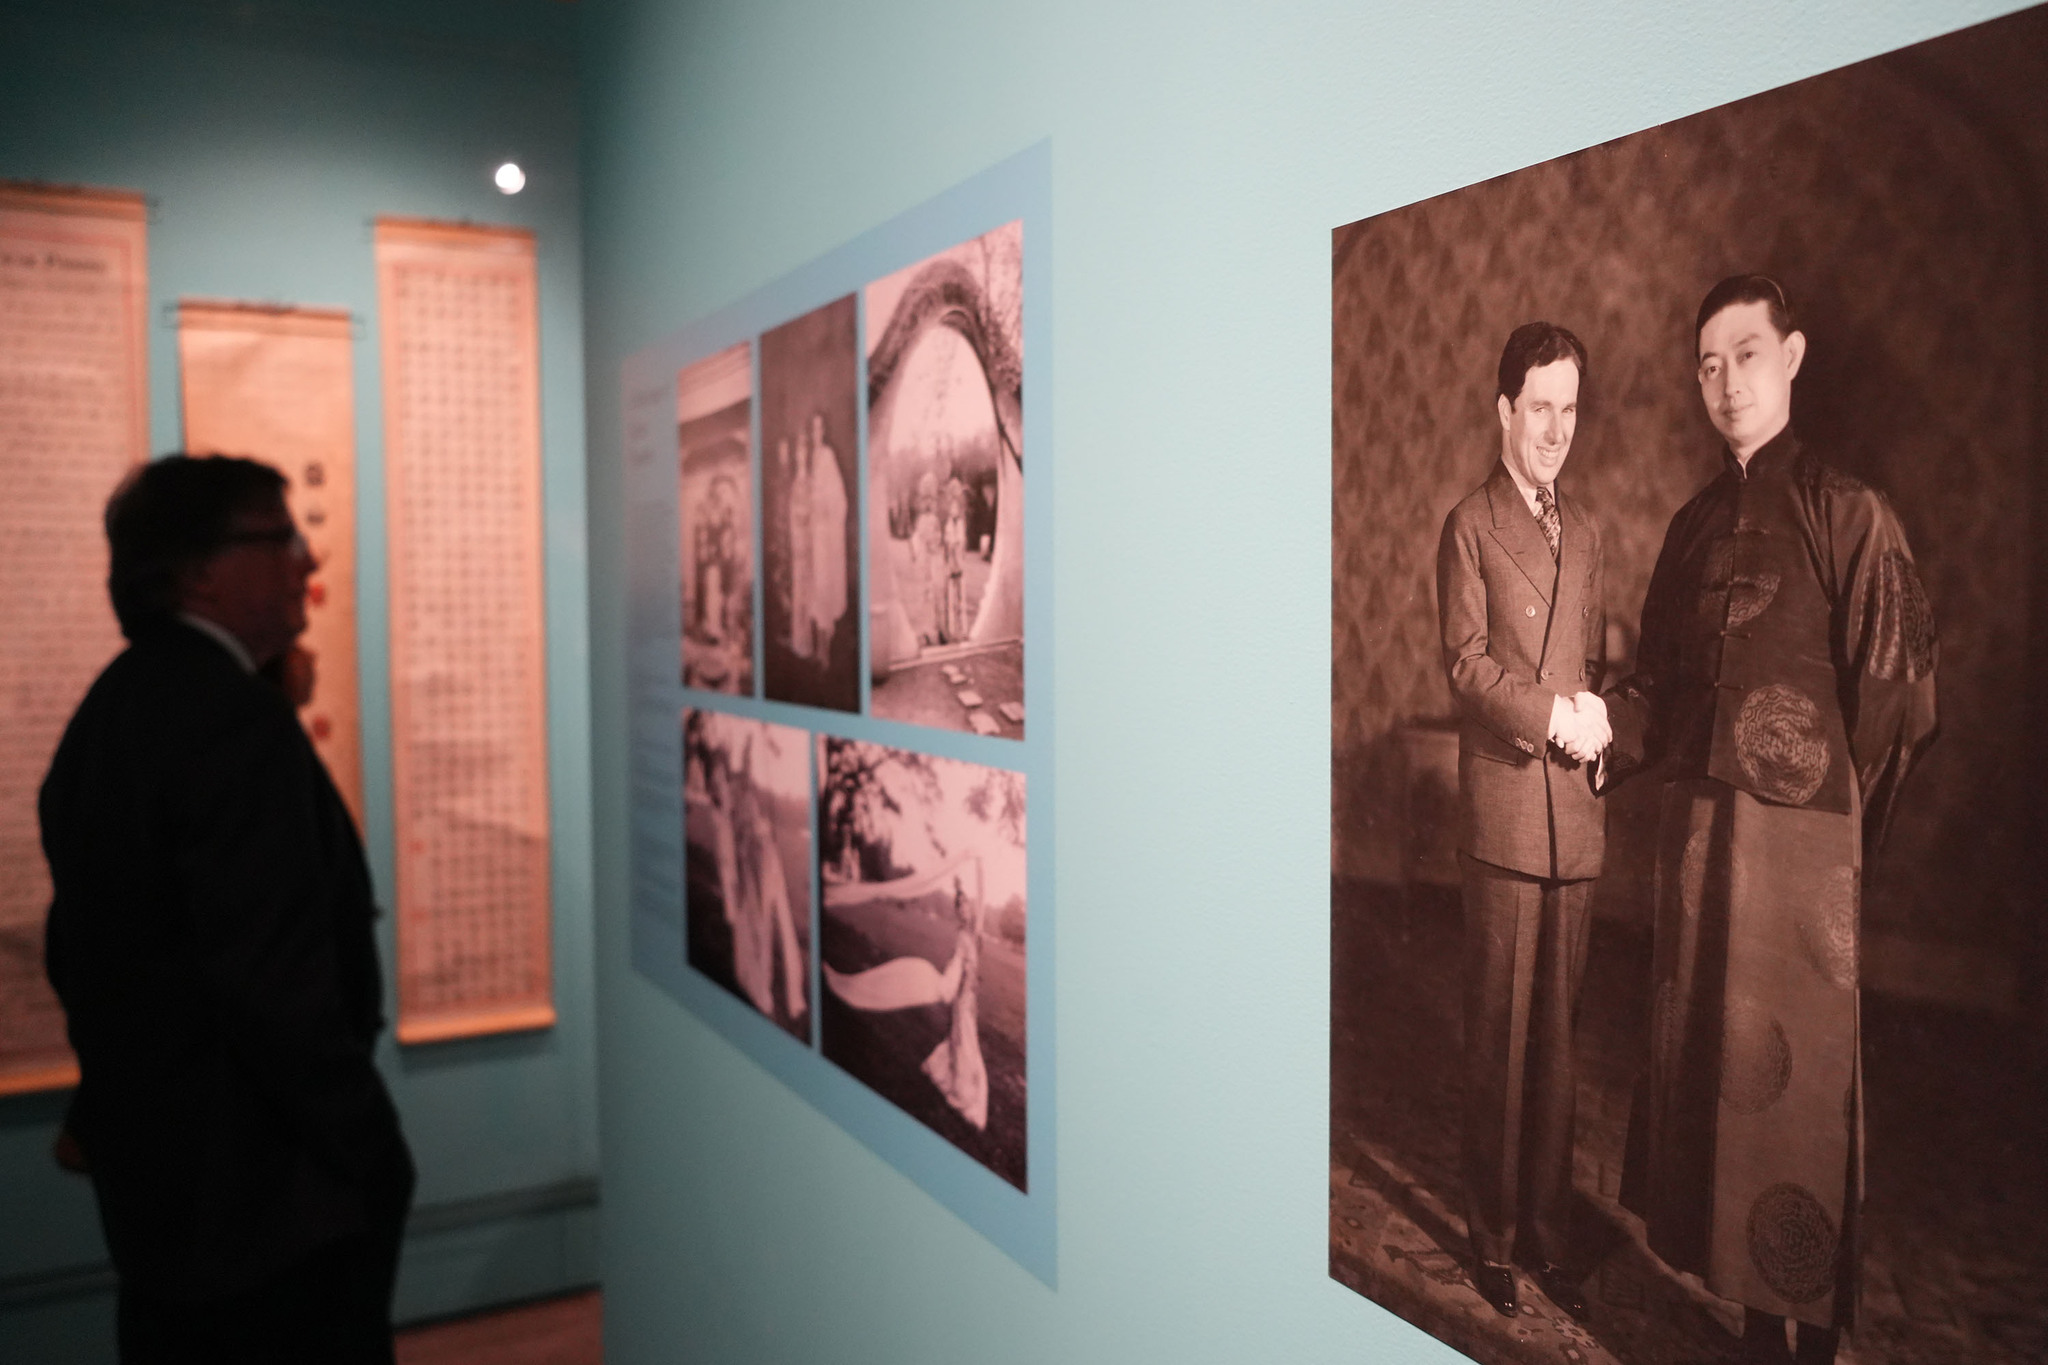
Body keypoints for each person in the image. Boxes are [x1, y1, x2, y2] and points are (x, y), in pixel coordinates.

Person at [1602, 277, 1938, 1365]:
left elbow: (1892, 706)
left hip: (1800, 859)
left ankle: (1801, 1331)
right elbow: (1653, 681)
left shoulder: (1849, 513)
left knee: (1795, 1096)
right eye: (1705, 364)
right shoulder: (1692, 523)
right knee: (1717, 1079)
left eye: (1743, 354)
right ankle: (1750, 1324)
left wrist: (1835, 835)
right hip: (1698, 848)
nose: (1724, 382)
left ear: (1789, 357)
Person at [41, 454, 414, 1364]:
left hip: (172, 1188)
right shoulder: (230, 722)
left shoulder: (119, 703)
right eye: (278, 536)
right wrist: (369, 1144)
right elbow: (270, 983)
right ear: (196, 570)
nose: (306, 559)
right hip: (264, 1196)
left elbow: (90, 947)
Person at [1434, 321, 1610, 1320]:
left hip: (1572, 824)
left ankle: (1545, 1229)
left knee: (1557, 1040)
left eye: (1567, 409)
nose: (1552, 429)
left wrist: (1597, 712)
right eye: (1536, 407)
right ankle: (1491, 1233)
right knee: (1497, 1036)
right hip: (1504, 809)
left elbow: (1585, 658)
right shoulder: (1468, 525)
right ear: (1504, 411)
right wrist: (1548, 714)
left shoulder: (1585, 531)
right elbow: (1465, 666)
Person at [806, 412, 848, 663]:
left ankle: (826, 650)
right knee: (815, 589)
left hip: (826, 534)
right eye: (813, 429)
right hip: (813, 533)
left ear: (824, 431)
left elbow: (838, 497)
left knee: (825, 587)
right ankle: (817, 646)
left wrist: (825, 508)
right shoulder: (811, 458)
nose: (816, 434)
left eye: (820, 428)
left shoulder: (828, 456)